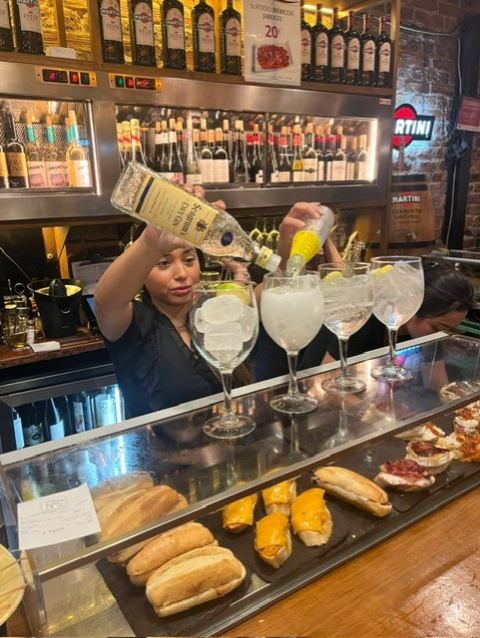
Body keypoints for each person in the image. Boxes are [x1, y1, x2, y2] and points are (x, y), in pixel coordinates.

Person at [94, 186, 328, 418]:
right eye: (163, 263)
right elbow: (106, 302)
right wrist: (151, 243)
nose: (181, 274)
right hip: (160, 443)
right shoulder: (135, 325)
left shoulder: (216, 310)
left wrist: (287, 252)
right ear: (143, 271)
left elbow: (278, 288)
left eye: (188, 259)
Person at [325, 257, 475, 362]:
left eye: (449, 330)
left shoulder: (429, 336)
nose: (439, 335)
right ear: (414, 306)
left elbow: (438, 383)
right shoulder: (367, 319)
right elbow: (327, 375)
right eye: (437, 327)